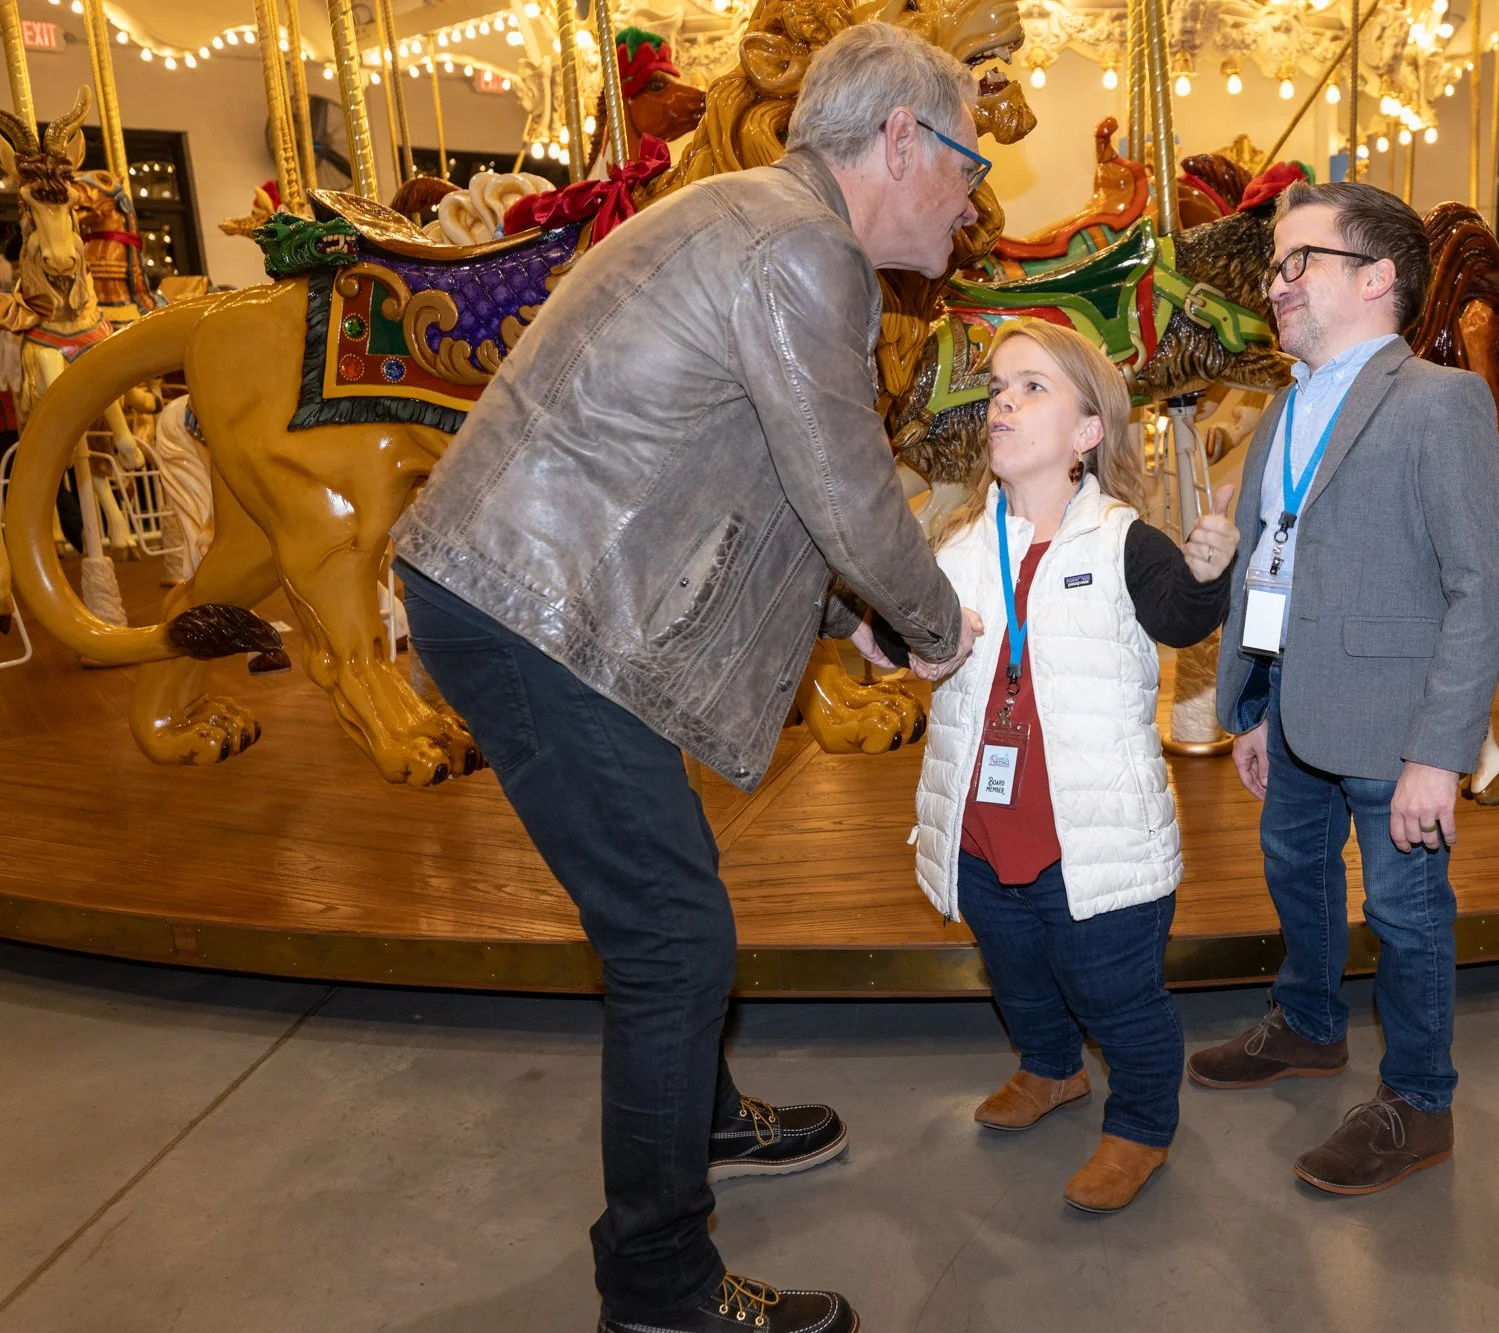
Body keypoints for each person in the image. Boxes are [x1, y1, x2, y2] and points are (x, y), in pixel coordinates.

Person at [389, 22, 989, 1333]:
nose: (975, 191)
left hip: (525, 590)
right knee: (673, 934)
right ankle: (657, 1289)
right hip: (532, 605)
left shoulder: (756, 218)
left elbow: (759, 475)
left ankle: (703, 1116)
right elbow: (842, 484)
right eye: (968, 157)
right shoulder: (801, 247)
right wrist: (940, 626)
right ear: (898, 140)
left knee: (670, 893)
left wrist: (858, 621)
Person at [1186, 181, 1499, 1196]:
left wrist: (1437, 752)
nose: (1274, 283)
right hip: (1291, 704)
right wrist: (1249, 698)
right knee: (1293, 869)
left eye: (1298, 262)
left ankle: (1417, 1103)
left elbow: (1480, 586)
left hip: (1390, 725)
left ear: (1375, 278)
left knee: (1407, 916)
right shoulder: (1284, 403)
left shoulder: (1438, 400)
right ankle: (1309, 1024)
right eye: (1274, 265)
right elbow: (1275, 557)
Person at [887, 318, 1238, 1213]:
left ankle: (1143, 1124)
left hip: (1091, 837)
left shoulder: (1126, 541)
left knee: (1117, 995)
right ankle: (1050, 1069)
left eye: (1033, 385)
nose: (1004, 399)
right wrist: (908, 648)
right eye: (1000, 386)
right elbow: (906, 648)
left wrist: (1207, 573)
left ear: (1088, 431)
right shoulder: (959, 545)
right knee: (1014, 974)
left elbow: (1181, 617)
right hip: (981, 825)